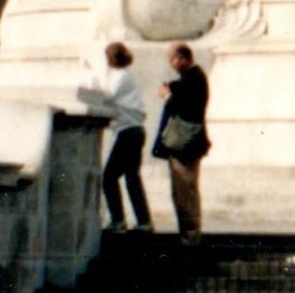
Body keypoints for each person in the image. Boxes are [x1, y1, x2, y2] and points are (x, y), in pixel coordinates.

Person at [78, 42, 151, 235]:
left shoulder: (121, 76)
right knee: (131, 177)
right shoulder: (121, 76)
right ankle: (143, 220)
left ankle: (119, 219)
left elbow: (105, 96)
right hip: (132, 131)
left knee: (109, 177)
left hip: (129, 131)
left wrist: (89, 76)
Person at [151, 42, 210, 244]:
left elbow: (182, 102)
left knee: (185, 190)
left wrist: (168, 95)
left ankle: (191, 234)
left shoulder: (194, 77)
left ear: (184, 58)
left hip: (186, 143)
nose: (172, 64)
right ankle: (189, 233)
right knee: (183, 190)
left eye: (173, 59)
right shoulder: (193, 77)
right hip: (188, 143)